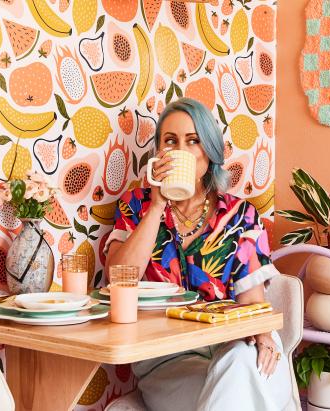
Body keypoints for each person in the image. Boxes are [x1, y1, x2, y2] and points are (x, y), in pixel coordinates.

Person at [104, 98, 292, 411]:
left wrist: (264, 337)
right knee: (237, 387)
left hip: (242, 349)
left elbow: (253, 305)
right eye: (170, 141)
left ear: (209, 151)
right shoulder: (135, 206)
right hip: (170, 363)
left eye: (193, 141)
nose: (181, 151)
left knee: (239, 363)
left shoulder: (240, 215)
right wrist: (156, 206)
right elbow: (118, 279)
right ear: (158, 153)